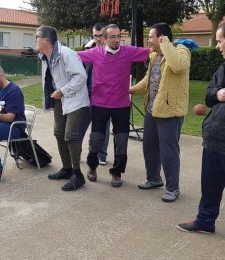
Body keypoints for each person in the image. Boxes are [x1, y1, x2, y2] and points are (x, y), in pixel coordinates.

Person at [78, 24, 150, 187]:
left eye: (119, 36)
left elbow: (151, 52)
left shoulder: (128, 51)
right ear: (103, 39)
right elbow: (74, 57)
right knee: (96, 139)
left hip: (121, 104)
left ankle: (117, 173)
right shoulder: (95, 53)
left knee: (121, 140)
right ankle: (92, 167)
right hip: (99, 104)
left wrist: (173, 46)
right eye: (113, 37)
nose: (117, 40)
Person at [130, 23, 191, 202]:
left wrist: (166, 45)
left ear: (162, 38)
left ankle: (173, 188)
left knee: (168, 151)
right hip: (152, 109)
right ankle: (154, 179)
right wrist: (131, 90)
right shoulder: (154, 56)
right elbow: (149, 80)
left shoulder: (181, 51)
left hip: (170, 112)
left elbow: (178, 67)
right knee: (149, 146)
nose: (149, 40)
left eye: (151, 37)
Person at [177, 24, 225, 233]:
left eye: (220, 41)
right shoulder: (223, 67)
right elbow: (208, 94)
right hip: (216, 138)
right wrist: (218, 94)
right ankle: (205, 221)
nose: (217, 46)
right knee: (211, 185)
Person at [37, 25, 90, 191]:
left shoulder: (66, 54)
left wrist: (63, 91)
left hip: (75, 100)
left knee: (70, 136)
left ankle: (78, 175)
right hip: (60, 100)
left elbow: (81, 76)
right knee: (59, 133)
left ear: (45, 40)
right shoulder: (44, 56)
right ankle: (67, 169)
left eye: (36, 37)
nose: (35, 40)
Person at [79, 23, 111, 169]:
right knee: (81, 124)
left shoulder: (112, 51)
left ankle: (102, 154)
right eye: (95, 36)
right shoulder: (88, 49)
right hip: (88, 93)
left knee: (102, 127)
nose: (98, 39)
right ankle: (77, 151)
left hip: (105, 96)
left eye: (100, 36)